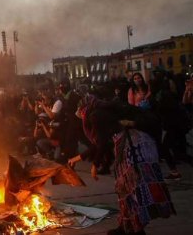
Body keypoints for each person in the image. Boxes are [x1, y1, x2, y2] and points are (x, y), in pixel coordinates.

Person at [69, 95, 174, 235]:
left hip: (133, 148)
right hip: (136, 146)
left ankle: (136, 229)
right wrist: (77, 158)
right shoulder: (101, 111)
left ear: (83, 109)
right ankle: (126, 226)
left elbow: (102, 142)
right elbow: (101, 141)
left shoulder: (95, 115)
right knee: (124, 188)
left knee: (132, 188)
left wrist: (95, 164)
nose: (82, 118)